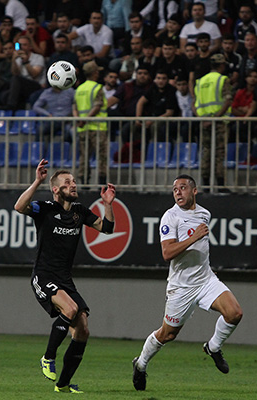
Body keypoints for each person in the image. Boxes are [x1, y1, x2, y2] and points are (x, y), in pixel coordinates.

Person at [132, 173, 243, 391]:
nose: (178, 192)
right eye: (175, 189)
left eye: (182, 188)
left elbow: (201, 246)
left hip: (205, 279)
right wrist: (193, 237)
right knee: (168, 334)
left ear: (194, 191)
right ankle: (141, 364)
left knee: (234, 313)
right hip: (181, 287)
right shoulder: (170, 217)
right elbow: (167, 253)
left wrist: (202, 255)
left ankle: (213, 347)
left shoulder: (204, 214)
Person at [13, 161, 116, 394]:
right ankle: (48, 357)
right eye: (67, 182)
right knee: (70, 309)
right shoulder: (46, 208)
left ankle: (63, 384)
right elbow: (19, 206)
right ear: (56, 189)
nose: (73, 185)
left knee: (83, 329)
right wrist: (37, 181)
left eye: (74, 181)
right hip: (43, 276)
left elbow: (107, 228)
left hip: (65, 280)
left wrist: (108, 204)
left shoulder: (80, 212)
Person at [192, 54, 232, 190]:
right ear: (222, 65)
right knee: (219, 152)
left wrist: (202, 119)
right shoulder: (222, 79)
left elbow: (195, 104)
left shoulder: (200, 81)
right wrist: (215, 118)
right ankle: (220, 184)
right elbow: (227, 100)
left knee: (206, 151)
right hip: (218, 122)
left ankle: (205, 184)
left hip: (204, 122)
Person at [73, 60, 109, 185]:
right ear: (95, 73)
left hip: (82, 128)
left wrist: (79, 120)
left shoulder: (79, 88)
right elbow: (97, 106)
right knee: (102, 156)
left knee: (84, 156)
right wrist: (85, 119)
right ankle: (101, 183)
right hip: (98, 127)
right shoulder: (97, 88)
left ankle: (84, 182)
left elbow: (74, 108)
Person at [136, 70, 178, 143]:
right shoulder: (153, 88)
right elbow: (140, 102)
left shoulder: (171, 91)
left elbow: (169, 113)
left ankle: (157, 148)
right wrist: (138, 118)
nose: (160, 81)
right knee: (133, 127)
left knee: (154, 126)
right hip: (153, 116)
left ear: (167, 80)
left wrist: (152, 121)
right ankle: (136, 148)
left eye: (163, 78)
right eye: (158, 78)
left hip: (167, 119)